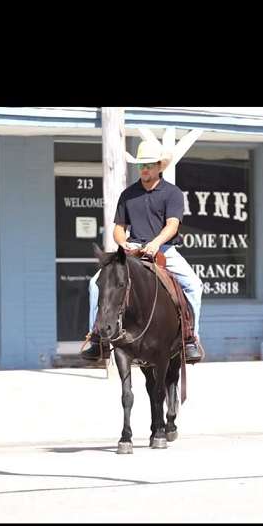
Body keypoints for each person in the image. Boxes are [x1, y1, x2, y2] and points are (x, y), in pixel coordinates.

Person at [81, 137, 204, 364]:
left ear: (159, 166)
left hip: (164, 250)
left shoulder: (172, 193)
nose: (144, 169)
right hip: (134, 248)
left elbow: (172, 225)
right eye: (140, 165)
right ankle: (96, 338)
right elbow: (119, 229)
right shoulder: (128, 194)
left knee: (195, 286)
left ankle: (190, 339)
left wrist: (156, 243)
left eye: (148, 165)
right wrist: (123, 243)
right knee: (94, 284)